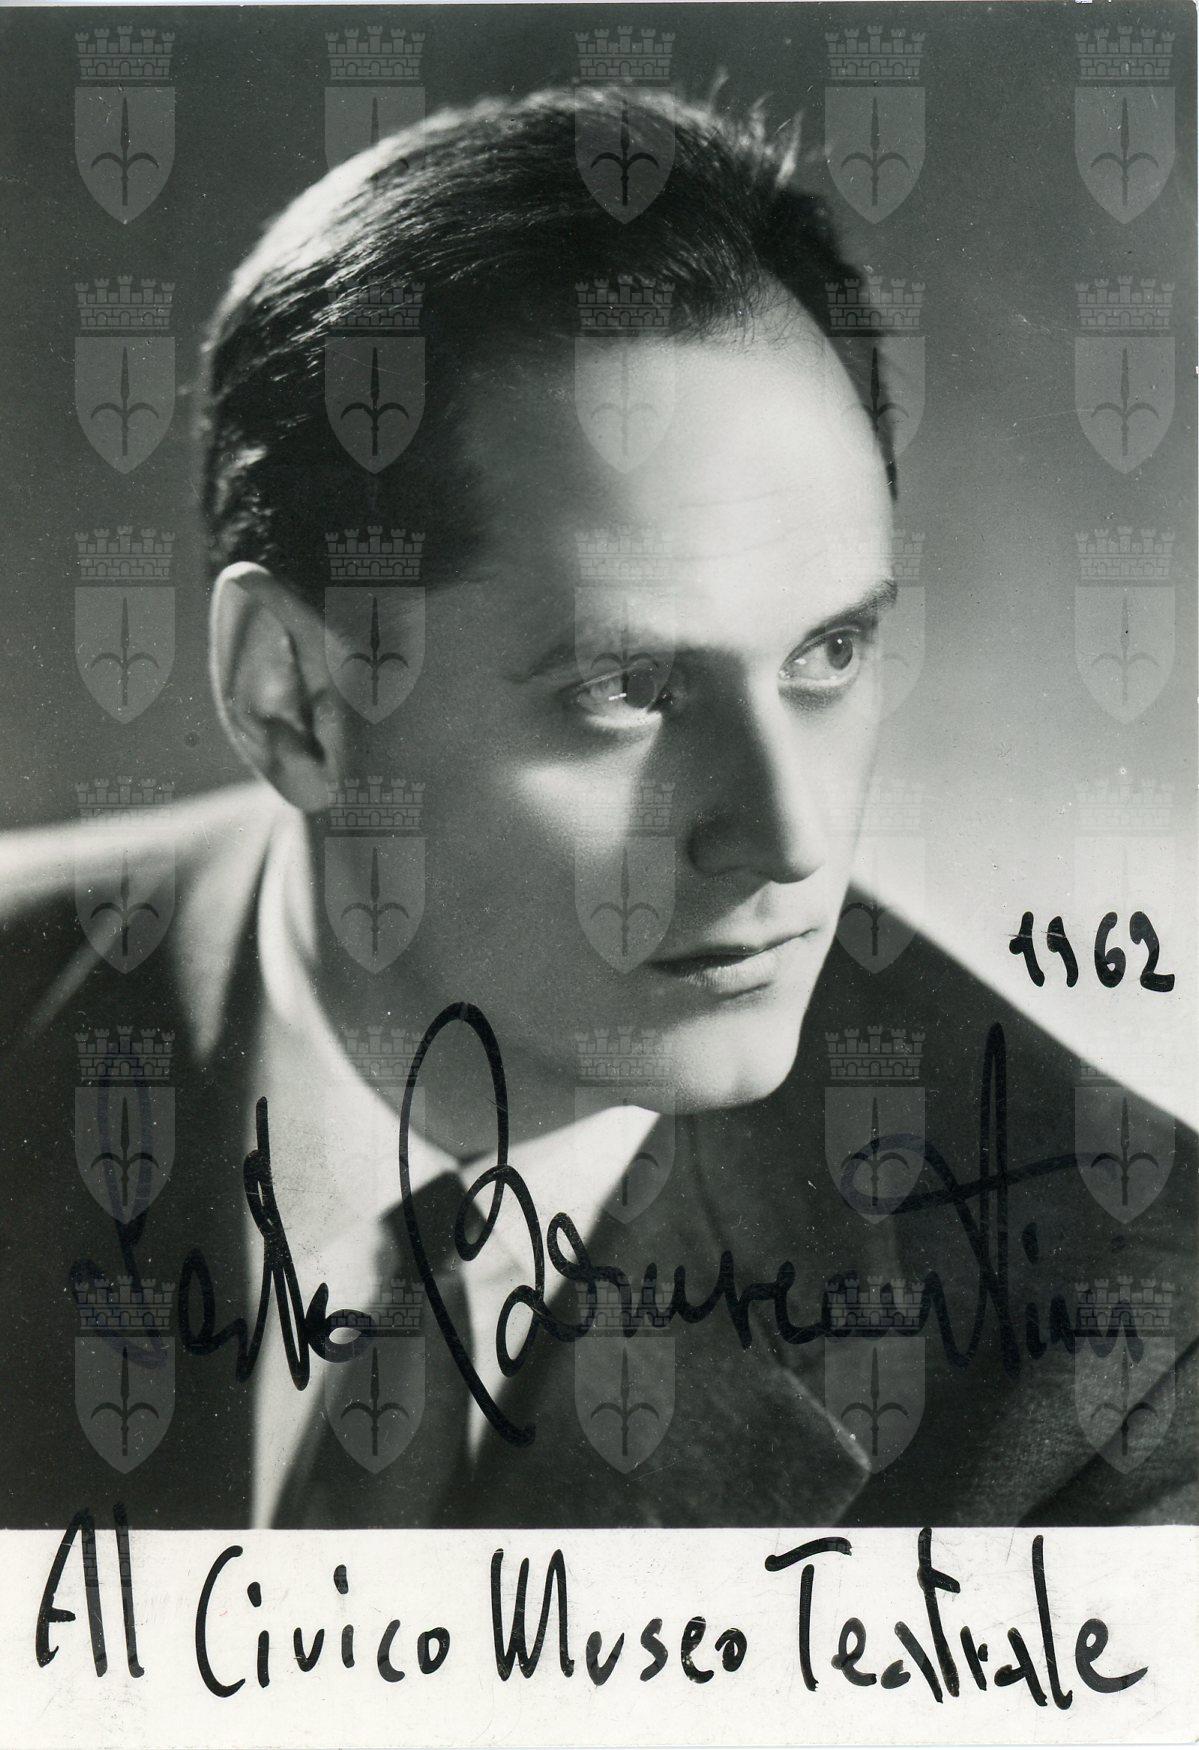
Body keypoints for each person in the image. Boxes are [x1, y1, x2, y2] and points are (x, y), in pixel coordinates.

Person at [0, 88, 1192, 1529]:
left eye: (829, 654)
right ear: (292, 698)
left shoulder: (1121, 1348)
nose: (791, 838)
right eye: (630, 687)